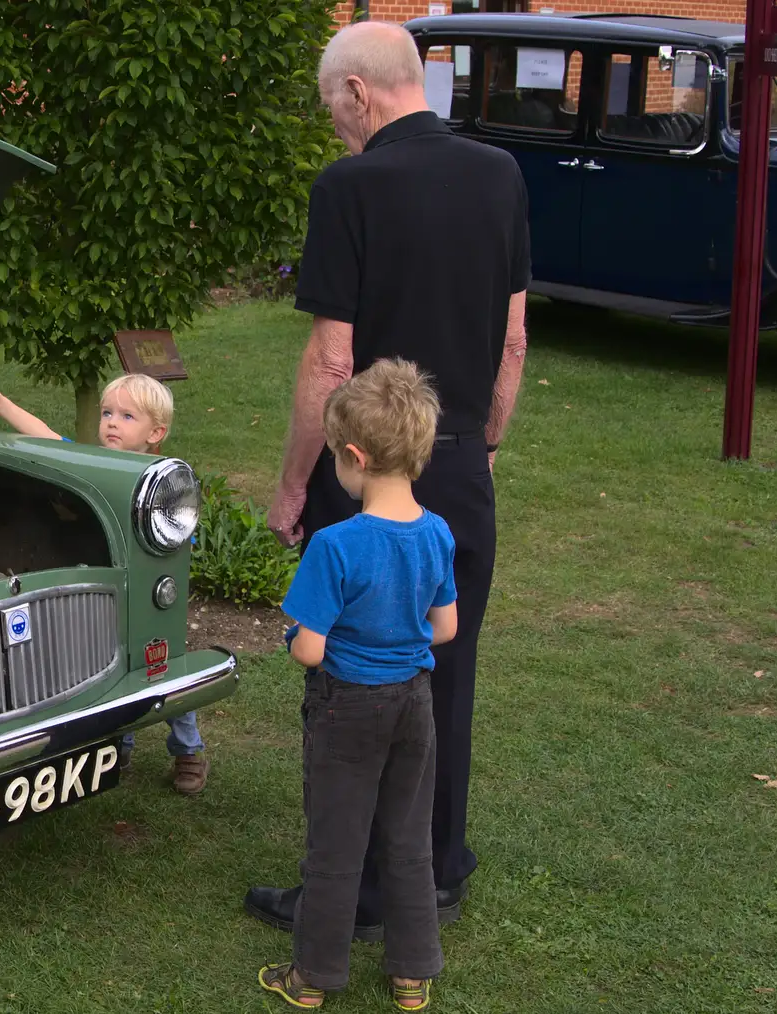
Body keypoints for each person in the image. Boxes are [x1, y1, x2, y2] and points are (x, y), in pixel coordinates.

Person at [246, 19, 531, 939]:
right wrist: (480, 451)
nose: (332, 121)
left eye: (332, 104)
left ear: (359, 93)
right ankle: (437, 867)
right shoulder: (501, 175)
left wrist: (294, 489)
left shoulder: (351, 185)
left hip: (366, 474)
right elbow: (513, 340)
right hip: (456, 470)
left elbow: (332, 363)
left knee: (353, 683)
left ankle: (356, 893)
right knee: (445, 670)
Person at [258, 358, 456, 1011]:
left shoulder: (335, 546)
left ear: (352, 456)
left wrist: (296, 637)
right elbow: (446, 628)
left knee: (336, 844)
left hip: (348, 709)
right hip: (414, 705)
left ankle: (312, 978)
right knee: (407, 837)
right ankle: (412, 974)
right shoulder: (438, 534)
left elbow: (310, 650)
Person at [0, 369, 211, 795]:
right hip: (104, 593)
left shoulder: (163, 480)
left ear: (156, 432)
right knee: (106, 666)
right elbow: (44, 437)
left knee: (162, 668)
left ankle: (188, 750)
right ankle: (120, 743)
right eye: (108, 412)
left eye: (128, 417)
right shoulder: (94, 465)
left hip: (146, 598)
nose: (112, 422)